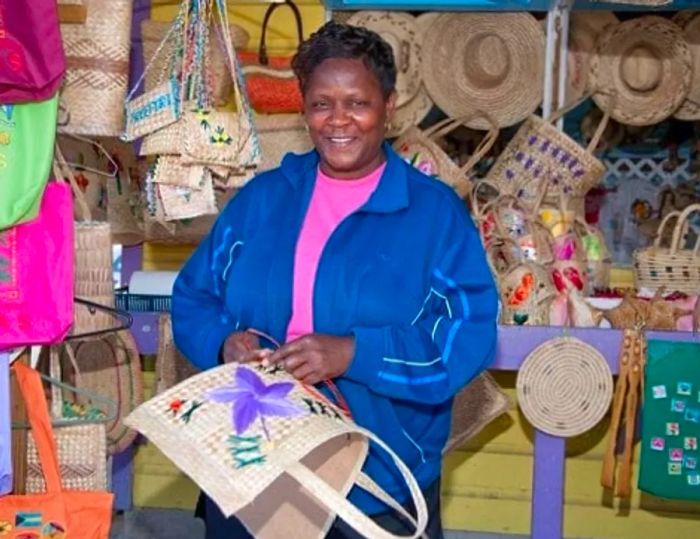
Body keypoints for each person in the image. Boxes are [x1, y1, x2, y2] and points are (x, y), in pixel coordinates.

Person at [172, 21, 498, 539]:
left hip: (376, 479)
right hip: (253, 461)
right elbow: (194, 295)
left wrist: (354, 354)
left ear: (389, 107)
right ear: (304, 109)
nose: (338, 120)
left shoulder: (432, 215)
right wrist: (222, 343)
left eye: (357, 103)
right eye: (322, 103)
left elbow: (468, 335)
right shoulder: (264, 199)